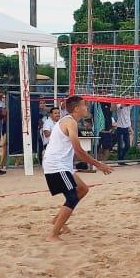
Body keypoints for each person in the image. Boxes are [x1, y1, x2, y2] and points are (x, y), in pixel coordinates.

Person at [42, 95, 112, 241]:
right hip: (56, 165)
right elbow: (78, 151)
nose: (87, 108)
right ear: (76, 108)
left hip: (62, 165)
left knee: (82, 189)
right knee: (72, 197)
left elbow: (76, 151)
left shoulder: (69, 121)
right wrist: (98, 164)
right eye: (84, 105)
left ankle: (57, 219)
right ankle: (53, 234)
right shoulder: (70, 122)